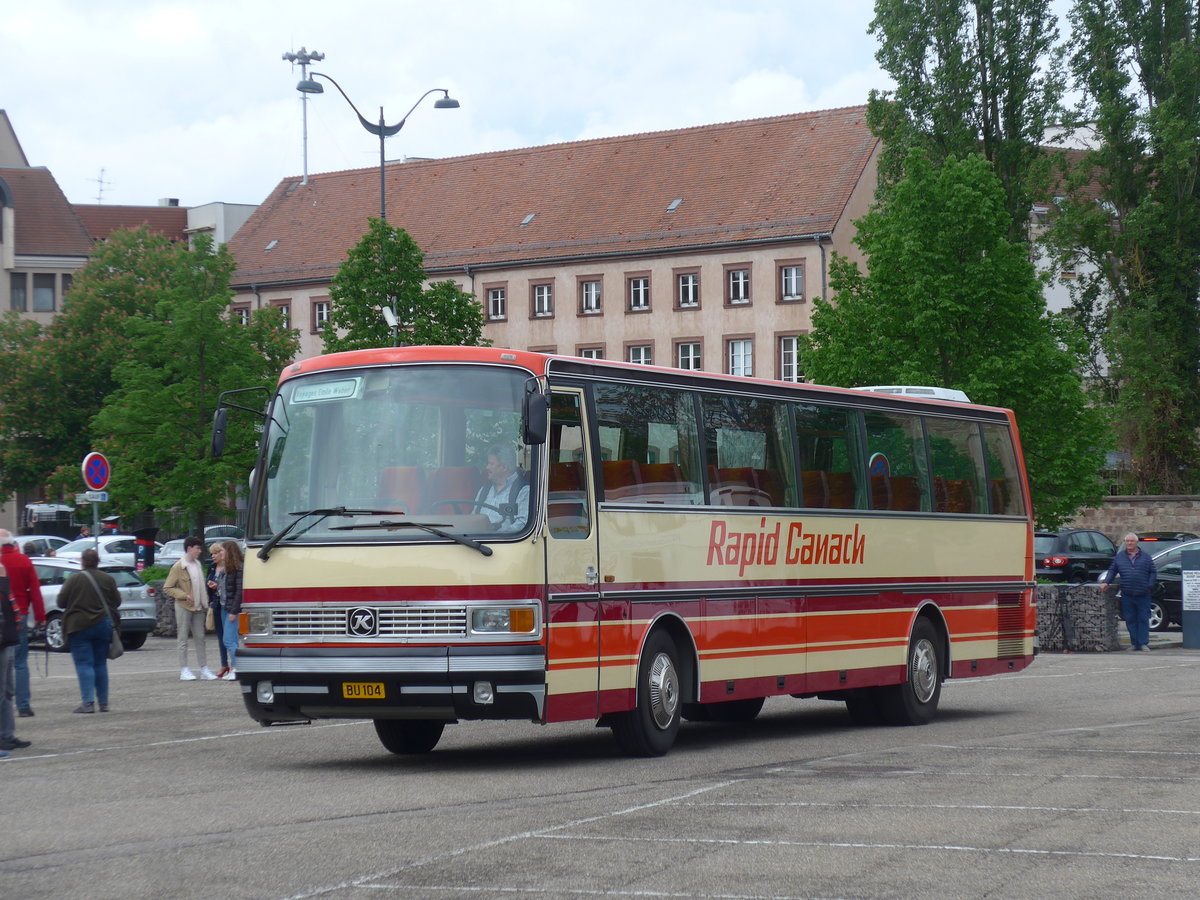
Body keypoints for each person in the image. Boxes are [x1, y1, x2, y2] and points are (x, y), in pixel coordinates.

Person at [57, 548, 121, 713]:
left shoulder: (74, 579)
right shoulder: (108, 579)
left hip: (78, 626)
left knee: (84, 664)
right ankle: (104, 703)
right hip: (102, 625)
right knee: (100, 663)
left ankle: (88, 703)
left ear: (82, 561)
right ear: (98, 561)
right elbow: (117, 601)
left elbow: (61, 602)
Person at [0, 529, 46, 719]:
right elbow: (35, 591)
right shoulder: (23, 561)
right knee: (19, 663)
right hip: (20, 617)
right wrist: (41, 618)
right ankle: (23, 705)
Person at [163, 536, 216, 680]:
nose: (199, 551)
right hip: (184, 606)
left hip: (198, 607)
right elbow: (167, 587)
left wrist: (205, 603)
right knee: (183, 638)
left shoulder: (197, 564)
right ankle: (184, 669)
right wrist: (183, 595)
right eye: (197, 548)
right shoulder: (178, 567)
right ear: (189, 548)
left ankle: (204, 668)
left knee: (200, 638)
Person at [1100, 532, 1158, 651]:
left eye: (1132, 541)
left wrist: (1149, 585)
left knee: (1142, 618)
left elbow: (1153, 572)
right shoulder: (1120, 557)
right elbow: (1112, 570)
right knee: (1130, 619)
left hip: (1143, 593)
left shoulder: (1146, 557)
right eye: (1127, 541)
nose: (1129, 543)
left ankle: (1142, 643)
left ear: (1136, 543)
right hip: (1127, 593)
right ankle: (1134, 643)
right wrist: (1106, 582)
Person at [1, 556, 30, 753]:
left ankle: (7, 734)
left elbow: (11, 606)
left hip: (8, 639)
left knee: (7, 691)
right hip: (3, 640)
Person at [475, 444, 530, 531]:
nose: (487, 467)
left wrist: (497, 535)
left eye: (491, 464)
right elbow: (473, 516)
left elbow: (522, 524)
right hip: (475, 540)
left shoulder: (523, 490)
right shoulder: (484, 489)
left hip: (503, 542)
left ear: (504, 467)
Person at [220, 541, 244, 680]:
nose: (221, 553)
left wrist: (234, 611)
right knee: (233, 640)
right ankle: (235, 668)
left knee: (228, 640)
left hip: (232, 609)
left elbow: (239, 592)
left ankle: (237, 667)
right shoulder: (229, 569)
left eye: (222, 550)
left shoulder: (238, 568)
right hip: (227, 606)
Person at [205, 542, 230, 678]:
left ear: (222, 553)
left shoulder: (229, 568)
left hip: (226, 604)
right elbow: (207, 585)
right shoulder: (212, 568)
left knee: (229, 636)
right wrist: (210, 589)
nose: (213, 556)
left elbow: (228, 587)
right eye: (211, 553)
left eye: (215, 553)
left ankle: (234, 665)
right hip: (215, 604)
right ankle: (224, 664)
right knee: (220, 636)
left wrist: (217, 587)